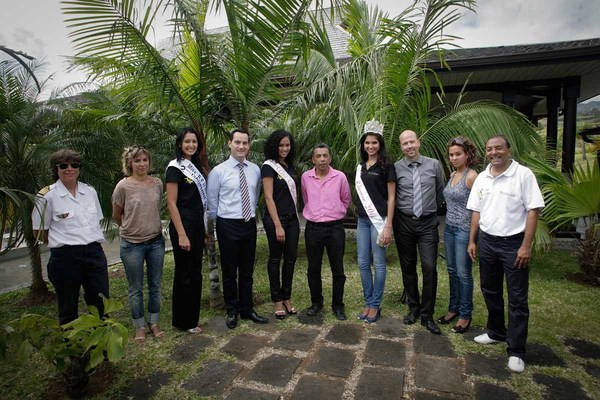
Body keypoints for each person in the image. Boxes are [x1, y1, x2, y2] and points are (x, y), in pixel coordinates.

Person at [467, 135, 544, 373]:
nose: (494, 153)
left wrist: (526, 245)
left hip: (514, 244)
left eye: (498, 148)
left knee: (517, 298)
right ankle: (496, 332)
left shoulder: (523, 175)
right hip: (488, 242)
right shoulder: (482, 177)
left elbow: (533, 210)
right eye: (489, 149)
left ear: (508, 150)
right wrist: (473, 240)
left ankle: (517, 350)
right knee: (490, 290)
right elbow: (477, 212)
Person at [32, 149, 109, 325]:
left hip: (94, 254)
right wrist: (62, 243)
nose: (69, 169)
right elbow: (39, 230)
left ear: (79, 168)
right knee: (68, 309)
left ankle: (100, 349)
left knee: (100, 304)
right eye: (63, 165)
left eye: (74, 165)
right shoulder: (46, 196)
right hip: (65, 258)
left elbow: (95, 221)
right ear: (55, 169)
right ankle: (73, 350)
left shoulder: (90, 192)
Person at [207, 129, 268, 329]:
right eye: (237, 142)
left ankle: (247, 309)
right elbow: (212, 203)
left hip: (249, 224)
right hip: (228, 225)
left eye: (245, 143)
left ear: (249, 145)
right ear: (229, 144)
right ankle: (232, 310)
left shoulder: (255, 170)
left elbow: (255, 193)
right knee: (230, 271)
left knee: (247, 270)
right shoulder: (218, 171)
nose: (241, 146)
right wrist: (215, 229)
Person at [393, 130, 445, 334]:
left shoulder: (434, 165)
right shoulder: (396, 168)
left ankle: (427, 314)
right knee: (408, 267)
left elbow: (441, 191)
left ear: (419, 142)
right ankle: (413, 308)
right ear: (401, 147)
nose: (409, 146)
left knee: (429, 267)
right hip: (404, 223)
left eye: (411, 142)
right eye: (404, 144)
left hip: (427, 224)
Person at [112, 146, 165, 342]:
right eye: (137, 161)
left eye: (145, 160)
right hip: (132, 245)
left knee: (155, 286)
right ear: (129, 163)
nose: (142, 164)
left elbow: (155, 208)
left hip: (156, 242)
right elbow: (117, 215)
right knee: (135, 288)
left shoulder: (157, 183)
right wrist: (131, 228)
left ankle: (154, 322)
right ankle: (139, 325)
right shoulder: (123, 186)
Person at [301, 143, 351, 321]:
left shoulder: (340, 177)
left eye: (325, 156)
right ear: (313, 159)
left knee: (338, 269)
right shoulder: (306, 177)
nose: (322, 159)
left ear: (330, 158)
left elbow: (346, 200)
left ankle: (338, 305)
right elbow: (305, 198)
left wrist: (334, 212)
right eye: (318, 156)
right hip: (313, 228)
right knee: (313, 268)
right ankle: (316, 303)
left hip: (335, 228)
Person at [166, 128, 207, 334]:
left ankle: (192, 318)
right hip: (183, 225)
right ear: (179, 144)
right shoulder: (175, 168)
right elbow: (172, 203)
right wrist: (181, 234)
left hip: (198, 225)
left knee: (195, 271)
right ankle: (184, 321)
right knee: (184, 273)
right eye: (187, 142)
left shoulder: (195, 166)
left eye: (194, 142)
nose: (191, 145)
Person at [355, 120, 396, 323]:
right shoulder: (360, 167)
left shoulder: (387, 165)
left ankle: (375, 304)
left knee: (378, 263)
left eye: (374, 143)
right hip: (362, 220)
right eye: (367, 143)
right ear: (363, 145)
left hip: (379, 220)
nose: (371, 146)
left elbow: (391, 196)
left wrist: (388, 225)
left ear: (380, 144)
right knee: (363, 262)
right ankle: (368, 301)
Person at [438, 137, 479, 334]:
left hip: (464, 230)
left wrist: (472, 239)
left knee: (464, 274)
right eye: (451, 155)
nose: (454, 158)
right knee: (452, 271)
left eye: (458, 154)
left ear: (467, 155)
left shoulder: (471, 176)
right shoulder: (454, 174)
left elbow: (479, 209)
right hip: (449, 228)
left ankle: (465, 314)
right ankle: (453, 308)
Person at [261, 130, 300, 320]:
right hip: (275, 219)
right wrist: (277, 225)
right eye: (281, 145)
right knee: (276, 259)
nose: (285, 148)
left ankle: (287, 297)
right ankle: (277, 299)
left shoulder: (290, 166)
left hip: (292, 219)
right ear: (274, 146)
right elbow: (268, 197)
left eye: (287, 145)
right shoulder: (269, 167)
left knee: (291, 259)